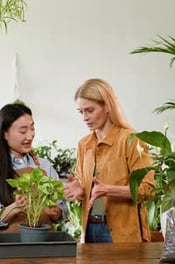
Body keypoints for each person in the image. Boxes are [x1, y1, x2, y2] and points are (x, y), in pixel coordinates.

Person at [63, 78, 155, 243]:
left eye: (90, 110)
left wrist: (108, 190)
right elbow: (89, 193)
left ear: (107, 106)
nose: (85, 117)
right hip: (90, 229)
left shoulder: (131, 140)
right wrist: (80, 191)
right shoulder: (83, 145)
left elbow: (147, 189)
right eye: (81, 112)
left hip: (122, 234)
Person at [0, 103, 68, 232]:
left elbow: (63, 210)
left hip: (46, 246)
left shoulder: (44, 166)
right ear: (4, 134)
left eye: (32, 129)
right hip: (9, 248)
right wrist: (12, 209)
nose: (30, 136)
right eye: (23, 131)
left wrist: (57, 212)